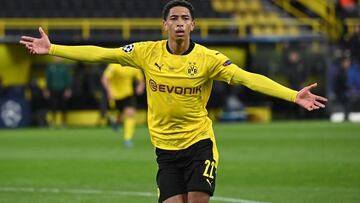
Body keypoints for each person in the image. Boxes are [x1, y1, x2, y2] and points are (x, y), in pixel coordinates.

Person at [20, 0, 327, 202]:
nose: (180, 23)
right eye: (174, 18)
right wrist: (54, 49)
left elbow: (247, 78)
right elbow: (103, 53)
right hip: (165, 150)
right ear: (164, 25)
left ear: (193, 25)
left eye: (185, 18)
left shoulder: (209, 59)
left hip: (199, 144)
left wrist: (292, 94)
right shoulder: (146, 52)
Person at [101, 64, 145, 147]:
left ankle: (127, 139)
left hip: (128, 95)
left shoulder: (133, 66)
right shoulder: (114, 66)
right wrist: (109, 91)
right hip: (115, 96)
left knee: (130, 114)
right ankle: (116, 122)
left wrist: (141, 86)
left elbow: (141, 79)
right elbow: (104, 79)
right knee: (120, 116)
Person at [43, 56, 72, 128]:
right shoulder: (50, 67)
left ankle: (64, 122)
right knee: (53, 106)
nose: (57, 59)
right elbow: (47, 79)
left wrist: (68, 89)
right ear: (53, 58)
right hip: (53, 89)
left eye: (59, 57)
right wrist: (46, 89)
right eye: (56, 57)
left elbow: (68, 78)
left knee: (64, 107)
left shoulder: (64, 67)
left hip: (63, 89)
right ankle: (53, 122)